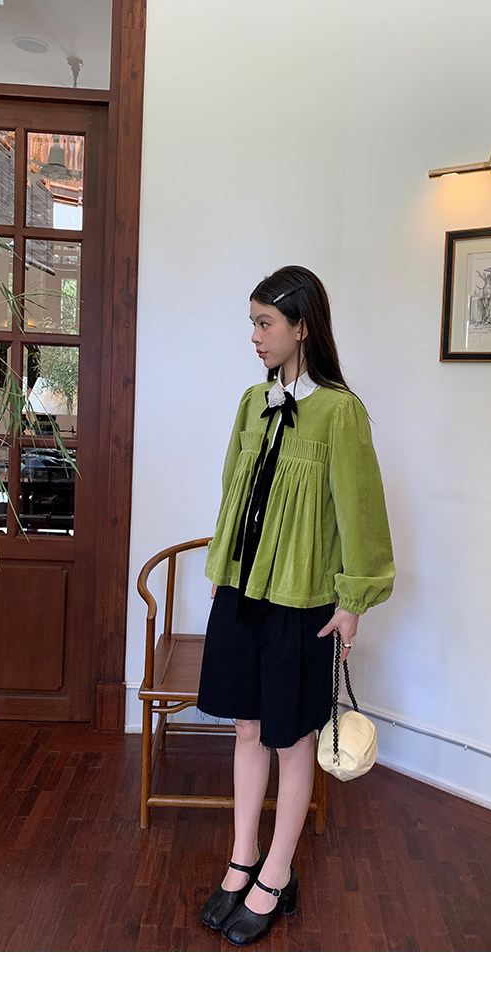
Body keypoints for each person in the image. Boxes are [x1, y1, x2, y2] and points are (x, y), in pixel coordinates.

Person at [197, 264, 394, 946]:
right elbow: (233, 489)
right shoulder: (252, 402)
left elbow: (361, 514)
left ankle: (277, 872)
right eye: (252, 323)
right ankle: (242, 858)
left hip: (302, 602)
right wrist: (223, 568)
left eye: (265, 323)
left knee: (292, 736)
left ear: (302, 326)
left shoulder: (340, 412)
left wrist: (353, 601)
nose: (254, 336)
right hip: (241, 592)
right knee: (247, 728)